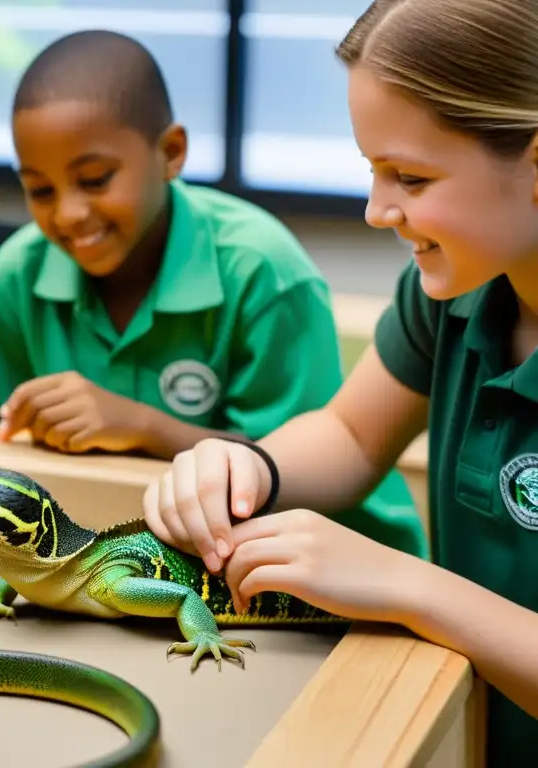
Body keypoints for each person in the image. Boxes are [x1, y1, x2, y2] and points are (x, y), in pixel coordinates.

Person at [142, 1, 538, 763]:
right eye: (370, 169)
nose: (376, 209)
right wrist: (250, 464)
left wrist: (408, 584)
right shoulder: (450, 296)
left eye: (410, 176)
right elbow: (354, 433)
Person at [0, 30, 426, 557]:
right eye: (40, 190)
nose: (69, 213)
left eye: (96, 179)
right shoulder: (16, 277)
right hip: (134, 557)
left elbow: (292, 474)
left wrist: (141, 425)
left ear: (171, 153)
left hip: (329, 568)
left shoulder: (264, 272)